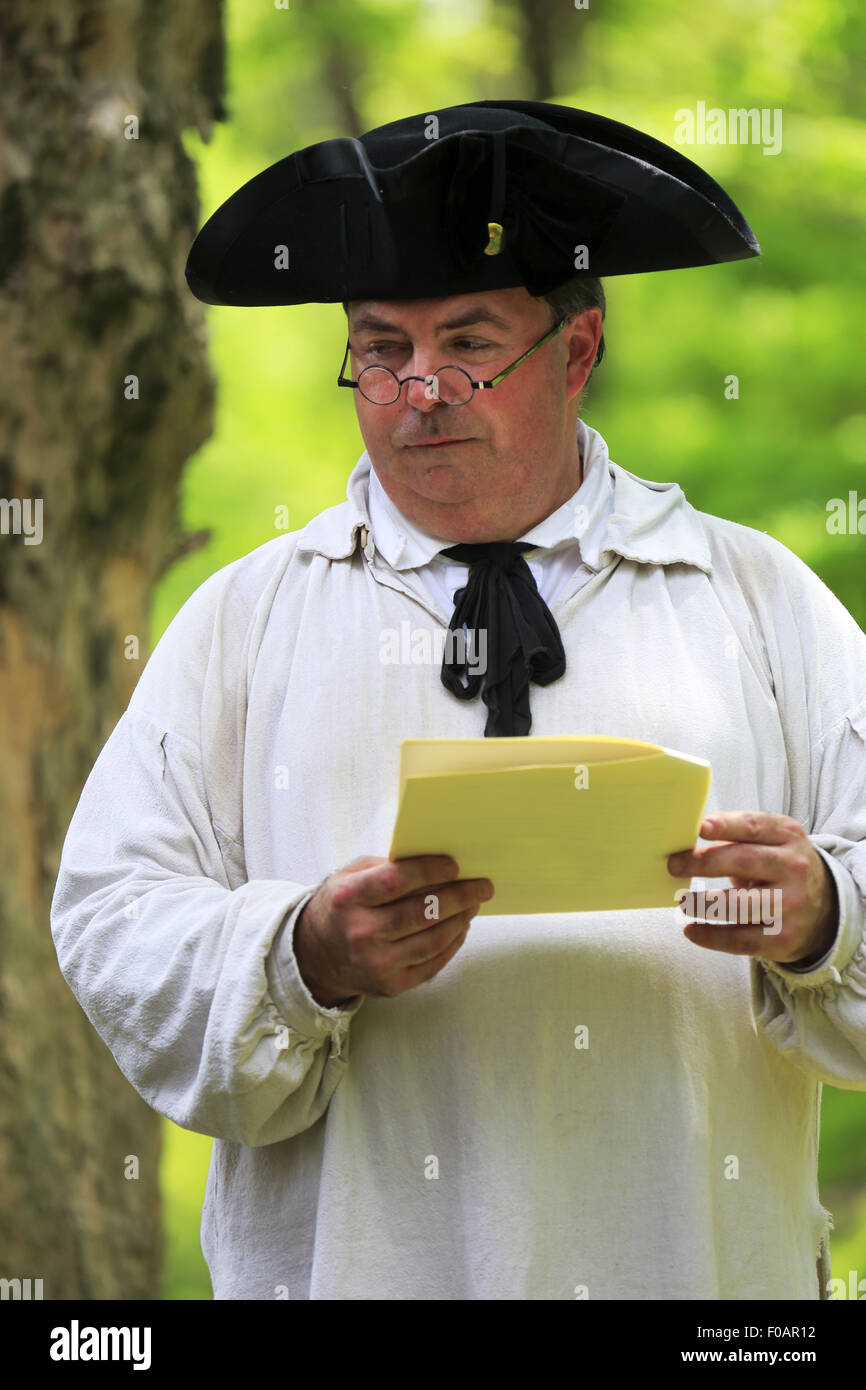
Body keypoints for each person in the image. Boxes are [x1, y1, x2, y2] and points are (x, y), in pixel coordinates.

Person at [50, 100, 866, 1301]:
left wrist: (821, 915)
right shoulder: (247, 616)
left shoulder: (754, 597)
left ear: (576, 350)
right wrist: (301, 955)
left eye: (470, 343)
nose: (420, 390)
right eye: (381, 350)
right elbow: (112, 920)